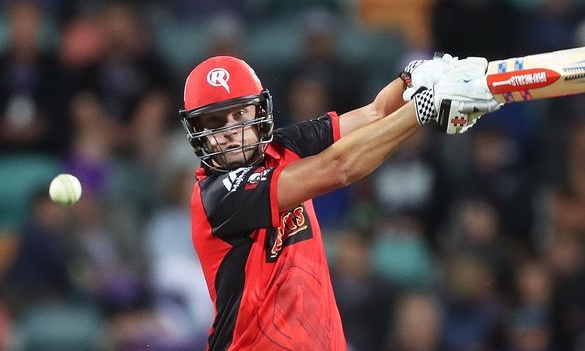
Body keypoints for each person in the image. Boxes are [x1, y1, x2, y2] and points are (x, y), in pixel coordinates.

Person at [179, 54, 500, 350]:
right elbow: (339, 168)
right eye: (215, 122)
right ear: (197, 131)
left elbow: (374, 113)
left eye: (239, 113)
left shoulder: (282, 147)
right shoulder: (216, 196)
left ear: (259, 111)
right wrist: (421, 111)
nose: (231, 131)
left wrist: (411, 78)